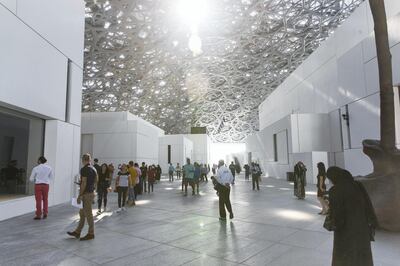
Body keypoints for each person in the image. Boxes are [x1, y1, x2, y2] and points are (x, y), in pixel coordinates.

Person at [324, 167, 378, 266]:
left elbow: (337, 216)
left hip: (346, 230)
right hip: (362, 227)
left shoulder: (335, 190)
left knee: (345, 256)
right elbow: (367, 205)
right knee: (361, 255)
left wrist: (329, 207)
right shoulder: (358, 185)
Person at [67, 153, 97, 241]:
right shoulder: (93, 168)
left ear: (83, 160)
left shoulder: (84, 169)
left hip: (86, 194)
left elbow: (84, 183)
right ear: (90, 159)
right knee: (82, 214)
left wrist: (80, 195)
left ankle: (91, 233)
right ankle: (77, 231)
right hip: (91, 192)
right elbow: (96, 180)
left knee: (88, 214)